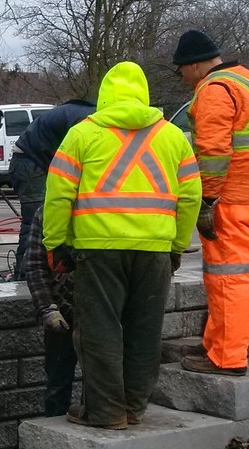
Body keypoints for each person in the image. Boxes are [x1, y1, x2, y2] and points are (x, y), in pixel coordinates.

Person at [43, 61, 201, 429]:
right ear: (143, 93)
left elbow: (57, 195)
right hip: (155, 251)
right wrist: (176, 245)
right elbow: (191, 196)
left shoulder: (83, 134)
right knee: (144, 330)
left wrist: (56, 242)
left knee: (100, 330)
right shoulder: (173, 136)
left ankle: (107, 412)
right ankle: (133, 407)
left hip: (98, 249)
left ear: (105, 94)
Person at [172, 29, 249, 376]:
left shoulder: (214, 90)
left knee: (228, 279)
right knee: (231, 276)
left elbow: (214, 153)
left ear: (194, 64)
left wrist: (207, 199)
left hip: (232, 200)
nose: (182, 77)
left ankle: (228, 358)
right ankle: (216, 344)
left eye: (181, 69)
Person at [8, 98, 96, 281]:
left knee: (41, 221)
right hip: (29, 163)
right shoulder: (87, 119)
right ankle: (24, 276)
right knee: (35, 223)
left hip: (32, 161)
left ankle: (32, 273)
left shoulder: (85, 113)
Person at [24, 206, 77, 417]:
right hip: (62, 313)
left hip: (98, 311)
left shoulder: (101, 211)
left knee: (99, 383)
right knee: (57, 384)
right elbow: (35, 265)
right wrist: (47, 308)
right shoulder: (47, 212)